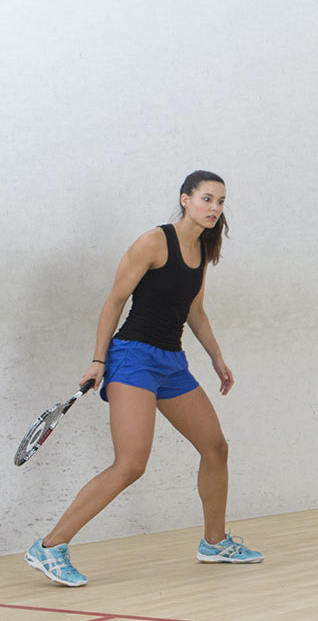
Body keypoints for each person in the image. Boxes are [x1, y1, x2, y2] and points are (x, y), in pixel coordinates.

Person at [24, 170, 262, 587]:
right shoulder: (154, 242)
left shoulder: (202, 251)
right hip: (132, 358)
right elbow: (114, 300)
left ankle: (214, 542)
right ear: (185, 199)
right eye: (207, 199)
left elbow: (195, 311)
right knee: (131, 464)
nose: (215, 208)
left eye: (221, 202)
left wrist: (217, 358)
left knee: (215, 447)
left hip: (172, 362)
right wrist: (99, 359)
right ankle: (49, 547)